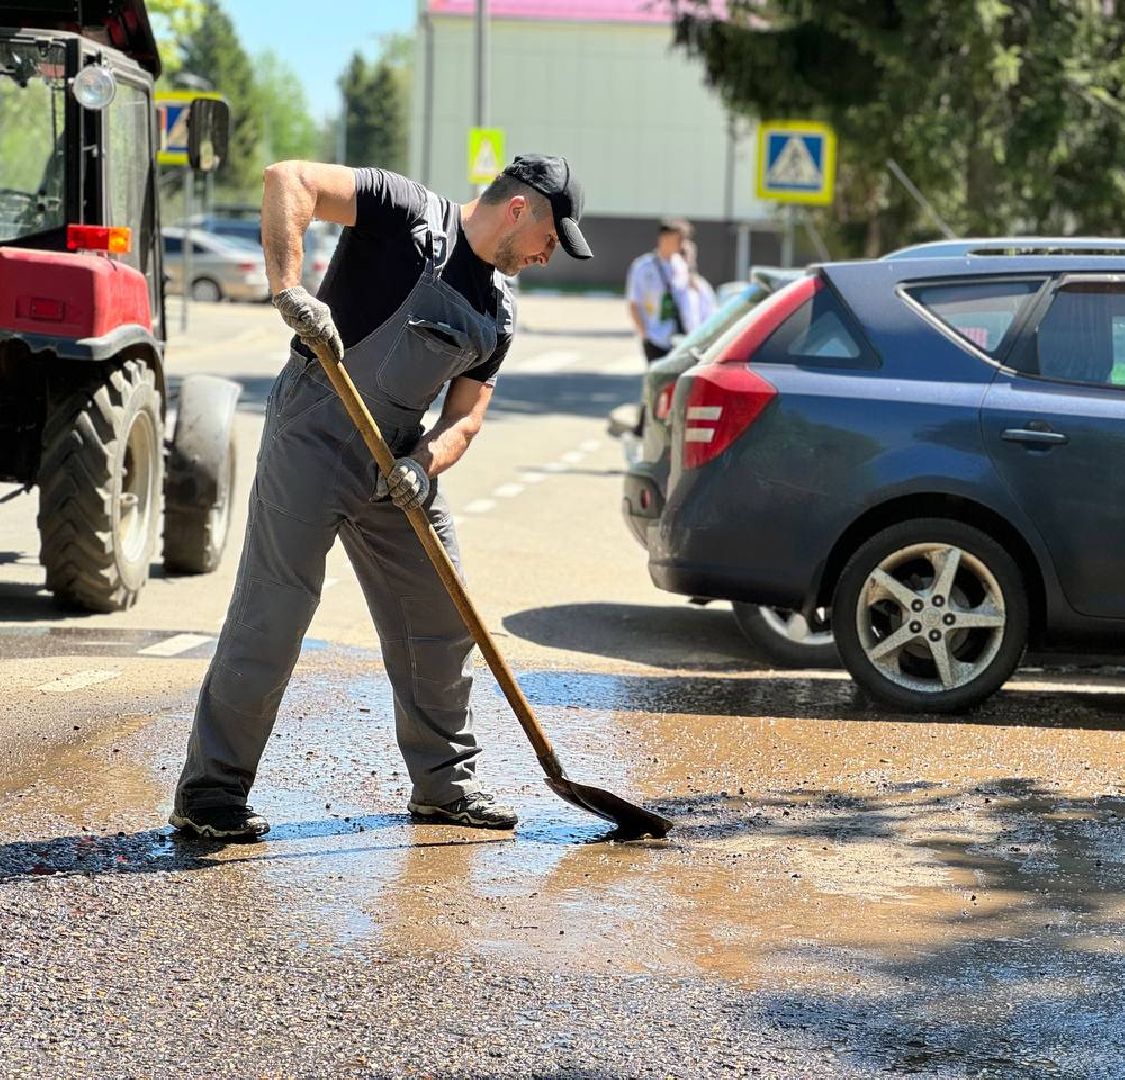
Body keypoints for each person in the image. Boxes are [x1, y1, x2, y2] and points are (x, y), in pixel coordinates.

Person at [168, 154, 592, 842]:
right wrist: (289, 290)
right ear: (519, 210)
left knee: (442, 615)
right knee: (274, 612)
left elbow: (466, 417)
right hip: (314, 430)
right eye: (551, 238)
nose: (549, 256)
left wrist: (423, 466)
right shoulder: (407, 214)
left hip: (394, 459)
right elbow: (287, 180)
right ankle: (210, 792)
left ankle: (445, 788)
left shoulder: (498, 310)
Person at [625, 218, 691, 362]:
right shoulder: (643, 267)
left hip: (679, 339)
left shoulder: (681, 265)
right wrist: (645, 336)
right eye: (679, 239)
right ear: (665, 238)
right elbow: (634, 303)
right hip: (655, 340)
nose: (682, 244)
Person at [680, 238, 716, 333]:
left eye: (684, 253)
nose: (683, 258)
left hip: (694, 337)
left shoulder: (702, 286)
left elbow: (711, 317)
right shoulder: (664, 284)